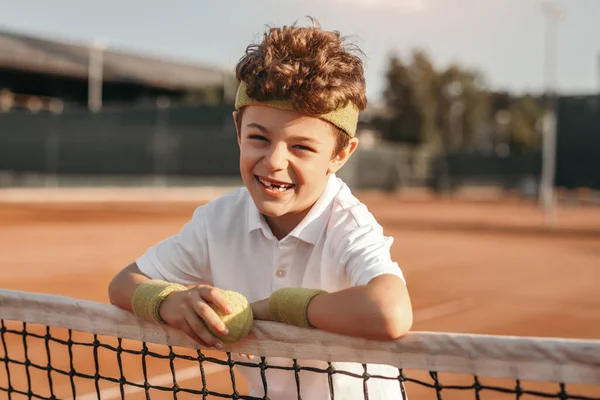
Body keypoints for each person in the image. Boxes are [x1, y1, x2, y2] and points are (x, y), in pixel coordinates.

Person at [108, 18, 413, 400]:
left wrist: (277, 307)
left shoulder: (347, 223)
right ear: (238, 130)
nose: (273, 162)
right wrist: (170, 300)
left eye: (301, 147)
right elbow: (123, 283)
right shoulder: (217, 221)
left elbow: (389, 312)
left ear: (340, 154)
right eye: (259, 138)